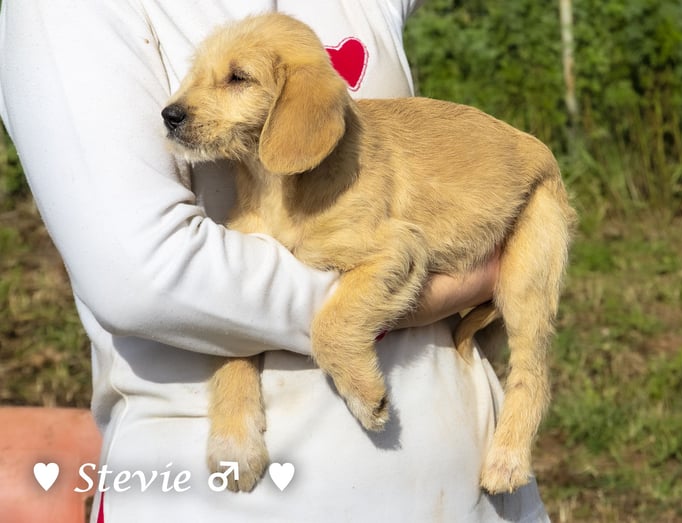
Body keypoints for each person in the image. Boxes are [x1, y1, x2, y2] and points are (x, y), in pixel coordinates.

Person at [0, 1, 551, 521]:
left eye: (236, 81)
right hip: (234, 497)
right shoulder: (64, 13)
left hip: (462, 475)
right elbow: (142, 276)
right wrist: (445, 290)